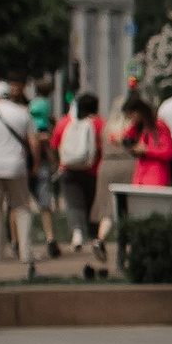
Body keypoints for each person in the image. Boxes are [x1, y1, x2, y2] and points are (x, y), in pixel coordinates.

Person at [51, 91, 106, 267]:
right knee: (92, 204)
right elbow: (102, 145)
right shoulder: (99, 123)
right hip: (93, 170)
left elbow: (54, 143)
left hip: (68, 169)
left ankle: (77, 234)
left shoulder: (65, 122)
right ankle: (94, 237)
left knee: (74, 204)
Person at [0, 79, 34, 271]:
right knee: (22, 209)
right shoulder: (22, 112)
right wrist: (33, 163)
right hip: (17, 167)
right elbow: (32, 141)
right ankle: (26, 253)